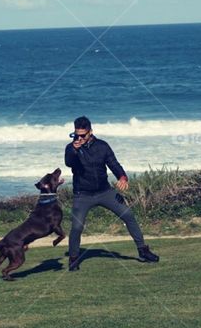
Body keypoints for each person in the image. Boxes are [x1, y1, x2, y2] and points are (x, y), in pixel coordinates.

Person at [64, 115, 159, 271]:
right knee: (77, 226)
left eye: (83, 135)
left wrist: (122, 177)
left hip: (105, 192)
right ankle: (73, 259)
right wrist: (75, 149)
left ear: (90, 132)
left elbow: (113, 164)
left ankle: (143, 251)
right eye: (76, 135)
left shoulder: (102, 146)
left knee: (128, 215)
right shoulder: (71, 148)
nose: (79, 138)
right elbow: (69, 162)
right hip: (83, 195)